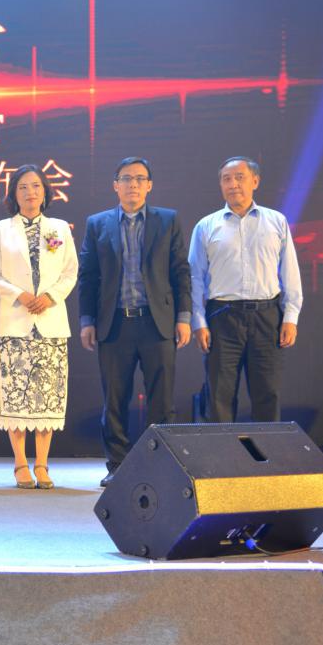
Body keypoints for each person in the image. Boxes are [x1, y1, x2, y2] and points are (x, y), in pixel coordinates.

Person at [78, 157, 191, 487]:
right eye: (126, 178)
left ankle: (160, 467)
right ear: (116, 185)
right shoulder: (97, 224)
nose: (133, 184)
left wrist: (183, 317)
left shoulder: (167, 220)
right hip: (115, 325)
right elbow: (88, 276)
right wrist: (87, 320)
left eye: (140, 179)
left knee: (162, 401)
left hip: (157, 323)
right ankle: (118, 466)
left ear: (149, 185)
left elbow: (180, 271)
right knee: (115, 400)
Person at [0, 164, 78, 489]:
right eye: (22, 187)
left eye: (35, 186)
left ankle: (42, 464)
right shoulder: (1, 229)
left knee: (47, 395)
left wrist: (50, 297)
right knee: (16, 395)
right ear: (13, 193)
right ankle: (20, 463)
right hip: (14, 321)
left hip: (51, 321)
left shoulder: (59, 228)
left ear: (45, 191)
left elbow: (70, 271)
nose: (30, 192)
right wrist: (19, 295)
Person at [189, 157, 302, 422]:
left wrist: (291, 317)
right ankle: (221, 450)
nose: (233, 184)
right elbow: (194, 278)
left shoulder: (276, 221)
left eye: (240, 177)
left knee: (267, 393)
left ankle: (265, 450)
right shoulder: (206, 226)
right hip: (222, 317)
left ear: (255, 181)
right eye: (226, 179)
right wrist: (198, 322)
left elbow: (290, 273)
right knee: (219, 395)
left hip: (267, 317)